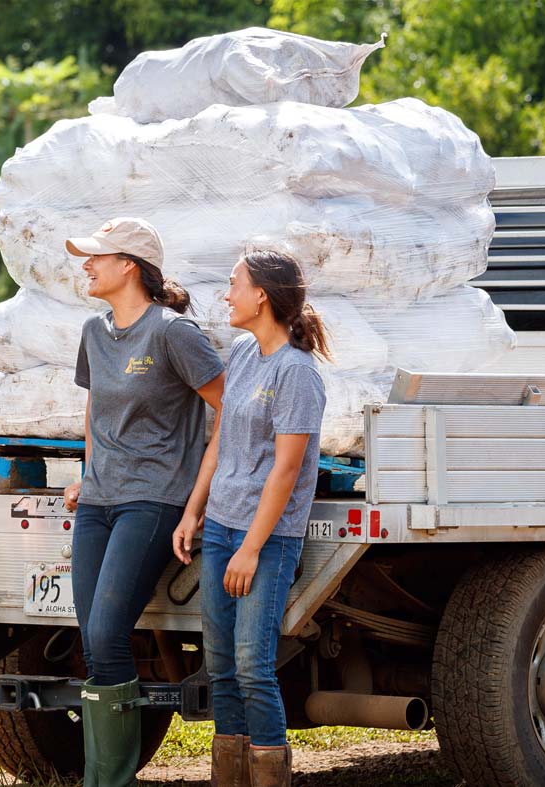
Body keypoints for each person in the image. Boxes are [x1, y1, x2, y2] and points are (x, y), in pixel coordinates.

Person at [60, 217, 226, 786]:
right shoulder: (92, 330)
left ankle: (108, 781)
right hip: (99, 501)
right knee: (93, 638)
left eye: (96, 257)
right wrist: (86, 471)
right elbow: (94, 411)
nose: (86, 264)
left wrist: (196, 500)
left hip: (153, 501)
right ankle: (106, 779)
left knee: (107, 634)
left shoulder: (173, 333)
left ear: (128, 265)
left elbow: (226, 409)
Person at [173, 249, 330, 787]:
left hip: (266, 538)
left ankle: (269, 774)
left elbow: (286, 472)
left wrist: (252, 548)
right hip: (220, 525)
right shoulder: (241, 353)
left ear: (261, 295)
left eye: (234, 283)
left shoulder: (297, 373)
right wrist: (194, 511)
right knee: (219, 663)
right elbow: (220, 441)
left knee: (252, 665)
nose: (226, 294)